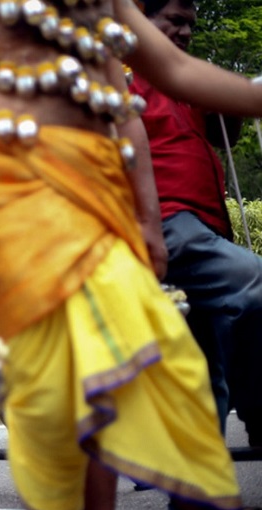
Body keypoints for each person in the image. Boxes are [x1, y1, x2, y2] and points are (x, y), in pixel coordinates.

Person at [0, 0, 262, 510]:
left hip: (105, 224)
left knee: (168, 378)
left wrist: (148, 221)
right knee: (51, 405)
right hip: (19, 227)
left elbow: (167, 77)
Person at [132, 0, 262, 444]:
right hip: (167, 224)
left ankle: (196, 482)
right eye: (175, 21)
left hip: (206, 228)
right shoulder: (121, 72)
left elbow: (226, 135)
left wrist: (231, 103)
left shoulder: (186, 81)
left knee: (206, 369)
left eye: (190, 24)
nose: (186, 32)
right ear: (139, 17)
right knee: (253, 282)